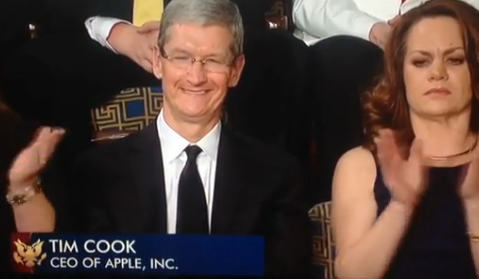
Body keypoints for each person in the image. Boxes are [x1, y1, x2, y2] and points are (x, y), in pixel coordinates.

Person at [6, 0, 312, 277]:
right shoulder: (98, 170)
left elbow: (288, 270)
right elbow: (53, 265)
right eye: (181, 58)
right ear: (157, 62)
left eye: (213, 61)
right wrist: (23, 188)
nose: (196, 76)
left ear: (236, 71)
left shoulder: (277, 174)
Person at [331, 0, 479, 278]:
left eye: (455, 59)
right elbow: (351, 275)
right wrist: (401, 205)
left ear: (478, 68)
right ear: (400, 74)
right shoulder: (359, 164)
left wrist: (478, 201)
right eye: (421, 61)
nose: (438, 74)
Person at [291, 0, 479, 202]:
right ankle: (349, 195)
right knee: (343, 57)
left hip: (443, 30)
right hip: (350, 38)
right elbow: (309, 6)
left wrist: (426, 18)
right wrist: (373, 30)